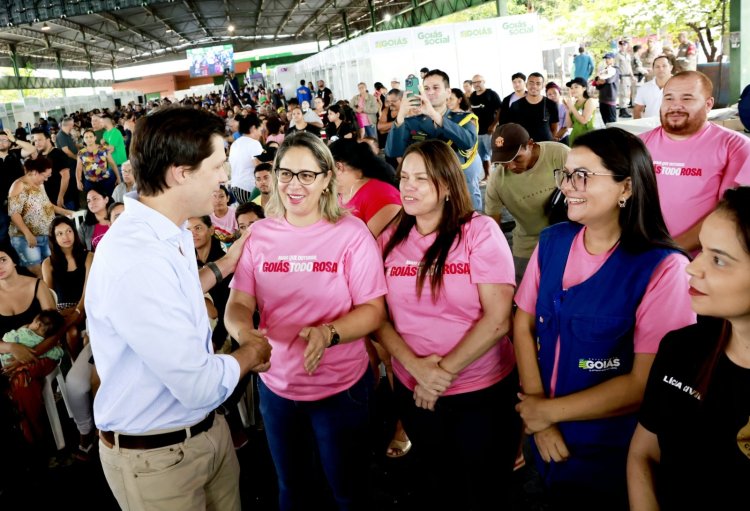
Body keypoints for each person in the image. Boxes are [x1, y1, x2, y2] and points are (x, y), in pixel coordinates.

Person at [85, 107, 272, 511]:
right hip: (158, 458)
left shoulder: (167, 232)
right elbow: (198, 384)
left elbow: (177, 294)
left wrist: (228, 261)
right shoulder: (138, 256)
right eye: (218, 165)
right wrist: (251, 354)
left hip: (200, 432)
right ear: (180, 172)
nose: (225, 178)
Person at [513, 128, 696, 509]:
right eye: (565, 174)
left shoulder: (663, 269)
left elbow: (644, 382)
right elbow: (523, 323)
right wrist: (538, 412)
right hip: (545, 434)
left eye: (583, 175)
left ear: (626, 188)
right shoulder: (553, 242)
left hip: (615, 449)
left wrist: (546, 413)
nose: (567, 186)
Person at [225, 131, 387, 511]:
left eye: (306, 175)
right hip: (277, 388)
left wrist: (328, 333)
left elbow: (373, 310)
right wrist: (244, 335)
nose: (293, 185)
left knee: (348, 492)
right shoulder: (260, 234)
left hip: (341, 389)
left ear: (327, 178)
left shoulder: (351, 233)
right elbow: (239, 302)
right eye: (285, 173)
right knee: (292, 490)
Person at [376, 139, 520, 509]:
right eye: (404, 176)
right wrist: (416, 368)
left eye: (420, 179)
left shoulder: (479, 232)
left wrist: (440, 373)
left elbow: (499, 320)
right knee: (440, 485)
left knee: (486, 489)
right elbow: (376, 316)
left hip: (481, 392)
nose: (407, 186)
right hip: (416, 390)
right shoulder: (390, 238)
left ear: (446, 185)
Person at [627, 187, 750, 510]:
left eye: (719, 260)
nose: (692, 268)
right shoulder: (681, 348)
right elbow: (644, 452)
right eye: (703, 251)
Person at [640, 71, 750, 253]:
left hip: (700, 264)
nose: (675, 106)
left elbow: (729, 214)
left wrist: (669, 253)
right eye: (669, 98)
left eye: (687, 99)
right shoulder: (638, 144)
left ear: (708, 105)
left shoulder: (736, 147)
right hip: (640, 256)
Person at [385, 69, 482, 211]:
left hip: (460, 192)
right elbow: (393, 151)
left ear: (448, 92)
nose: (430, 92)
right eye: (426, 88)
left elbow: (468, 143)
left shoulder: (463, 119)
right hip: (428, 195)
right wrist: (400, 116)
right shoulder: (411, 122)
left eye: (436, 88)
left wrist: (435, 116)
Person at [486, 123, 569, 283]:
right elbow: (492, 226)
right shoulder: (497, 180)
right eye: (503, 162)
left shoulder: (559, 154)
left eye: (517, 158)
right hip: (527, 244)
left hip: (568, 238)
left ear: (530, 144)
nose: (510, 166)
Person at [0, 240, 59, 446]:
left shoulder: (37, 285)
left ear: (13, 260)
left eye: (3, 260)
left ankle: (35, 443)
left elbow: (56, 331)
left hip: (44, 353)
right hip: (6, 355)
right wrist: (11, 348)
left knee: (21, 378)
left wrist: (28, 356)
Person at [8, 157, 73, 277]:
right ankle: (47, 295)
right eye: (45, 175)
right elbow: (14, 213)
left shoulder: (40, 184)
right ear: (34, 172)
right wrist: (28, 234)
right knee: (39, 272)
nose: (47, 179)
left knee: (52, 268)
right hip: (25, 238)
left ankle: (55, 293)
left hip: (46, 234)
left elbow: (47, 204)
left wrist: (64, 212)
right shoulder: (18, 185)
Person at [42, 215, 92, 355]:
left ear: (74, 232)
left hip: (87, 306)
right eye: (60, 233)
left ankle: (50, 341)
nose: (66, 236)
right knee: (72, 333)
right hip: (63, 311)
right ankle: (76, 365)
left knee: (84, 338)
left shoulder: (88, 256)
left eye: (69, 231)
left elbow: (88, 290)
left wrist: (78, 311)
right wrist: (63, 314)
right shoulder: (48, 263)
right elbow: (50, 296)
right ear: (54, 238)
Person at [506, 72, 560, 143]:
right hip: (525, 148)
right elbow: (511, 128)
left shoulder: (551, 104)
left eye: (538, 84)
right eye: (531, 83)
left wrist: (551, 143)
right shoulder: (515, 105)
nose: (534, 86)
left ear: (542, 86)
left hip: (546, 147)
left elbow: (554, 128)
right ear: (526, 85)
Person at [31, 127, 77, 210]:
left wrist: (60, 196)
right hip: (49, 200)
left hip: (64, 199)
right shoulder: (40, 156)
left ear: (48, 139)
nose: (37, 143)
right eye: (35, 141)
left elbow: (66, 176)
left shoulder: (58, 154)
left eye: (39, 140)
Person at [469, 74, 502, 181]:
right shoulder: (473, 96)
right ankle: (487, 176)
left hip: (489, 131)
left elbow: (500, 110)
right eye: (474, 82)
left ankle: (500, 176)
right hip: (478, 132)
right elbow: (470, 112)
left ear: (484, 81)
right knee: (483, 156)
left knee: (495, 155)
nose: (476, 84)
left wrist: (494, 125)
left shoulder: (491, 94)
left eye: (479, 82)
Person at [228, 113, 264, 205]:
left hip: (235, 187)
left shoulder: (235, 144)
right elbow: (259, 167)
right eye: (260, 130)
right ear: (253, 128)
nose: (261, 134)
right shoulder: (254, 143)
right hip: (248, 187)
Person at [76, 128, 121, 196]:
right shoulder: (81, 153)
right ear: (84, 139)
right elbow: (78, 169)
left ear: (95, 138)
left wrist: (118, 177)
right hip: (90, 182)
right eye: (86, 137)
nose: (89, 139)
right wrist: (78, 181)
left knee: (108, 199)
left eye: (91, 136)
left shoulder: (103, 149)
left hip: (105, 181)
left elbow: (112, 163)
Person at [633, 55, 673, 119]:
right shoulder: (644, 88)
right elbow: (637, 110)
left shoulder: (681, 87)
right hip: (650, 127)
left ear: (671, 67)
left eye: (664, 66)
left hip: (674, 127)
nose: (661, 69)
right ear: (653, 69)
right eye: (657, 67)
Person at [564, 77, 597, 145]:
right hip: (574, 137)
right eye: (572, 88)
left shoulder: (590, 101)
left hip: (587, 138)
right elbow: (569, 125)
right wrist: (567, 109)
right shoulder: (573, 104)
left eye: (576, 87)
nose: (573, 90)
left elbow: (584, 121)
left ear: (584, 88)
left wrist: (572, 107)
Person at [78, 185, 111, 252]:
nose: (91, 203)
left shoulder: (117, 220)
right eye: (88, 201)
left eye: (95, 198)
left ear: (106, 199)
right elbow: (79, 249)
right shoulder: (84, 227)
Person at [594, 52, 620, 124]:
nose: (607, 60)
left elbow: (608, 80)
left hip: (610, 99)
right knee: (605, 121)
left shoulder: (616, 70)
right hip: (602, 99)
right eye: (606, 59)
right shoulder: (604, 70)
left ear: (613, 59)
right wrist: (598, 81)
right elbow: (596, 80)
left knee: (612, 122)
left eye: (609, 58)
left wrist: (600, 80)